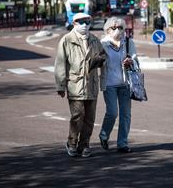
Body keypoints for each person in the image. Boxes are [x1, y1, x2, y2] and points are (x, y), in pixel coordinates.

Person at [54, 12, 106, 158]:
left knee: (90, 118)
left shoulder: (95, 40)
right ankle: (72, 143)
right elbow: (60, 64)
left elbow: (104, 58)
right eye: (81, 21)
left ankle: (84, 145)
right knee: (78, 115)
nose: (85, 24)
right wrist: (60, 86)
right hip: (75, 85)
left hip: (92, 85)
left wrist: (100, 61)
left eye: (87, 21)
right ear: (74, 23)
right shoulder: (67, 40)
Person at [99, 17, 138, 153]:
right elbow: (97, 62)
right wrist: (101, 61)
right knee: (112, 113)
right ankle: (104, 135)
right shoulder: (102, 43)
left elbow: (136, 61)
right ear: (107, 30)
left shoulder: (128, 42)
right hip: (109, 84)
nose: (117, 30)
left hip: (125, 84)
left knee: (126, 115)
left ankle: (122, 143)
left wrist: (131, 62)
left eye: (120, 28)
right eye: (114, 28)